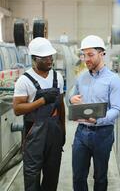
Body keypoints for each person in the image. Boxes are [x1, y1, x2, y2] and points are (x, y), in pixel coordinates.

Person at [70, 35, 120, 191]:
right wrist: (71, 99)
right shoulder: (81, 78)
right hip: (81, 133)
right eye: (84, 55)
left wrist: (98, 120)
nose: (86, 59)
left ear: (102, 54)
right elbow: (72, 98)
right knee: (78, 176)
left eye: (90, 55)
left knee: (100, 177)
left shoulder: (113, 80)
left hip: (103, 134)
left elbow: (116, 109)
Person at [13, 37, 65, 191]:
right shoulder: (25, 80)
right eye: (45, 58)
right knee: (32, 174)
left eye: (51, 57)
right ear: (35, 59)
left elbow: (61, 106)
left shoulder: (57, 77)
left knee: (52, 174)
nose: (50, 60)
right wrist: (41, 101)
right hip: (34, 131)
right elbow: (17, 109)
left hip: (54, 130)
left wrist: (63, 131)